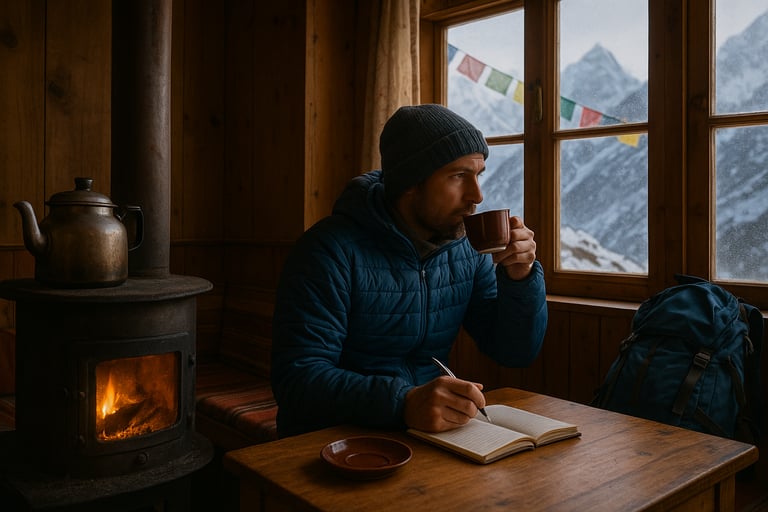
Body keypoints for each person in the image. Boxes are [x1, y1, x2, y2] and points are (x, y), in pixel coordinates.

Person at [271, 103, 547, 438]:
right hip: (331, 441)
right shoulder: (328, 251)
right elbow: (298, 380)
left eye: (479, 174)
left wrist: (520, 278)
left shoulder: (466, 251)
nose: (477, 195)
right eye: (459, 176)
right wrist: (402, 402)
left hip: (427, 433)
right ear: (410, 184)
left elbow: (514, 351)